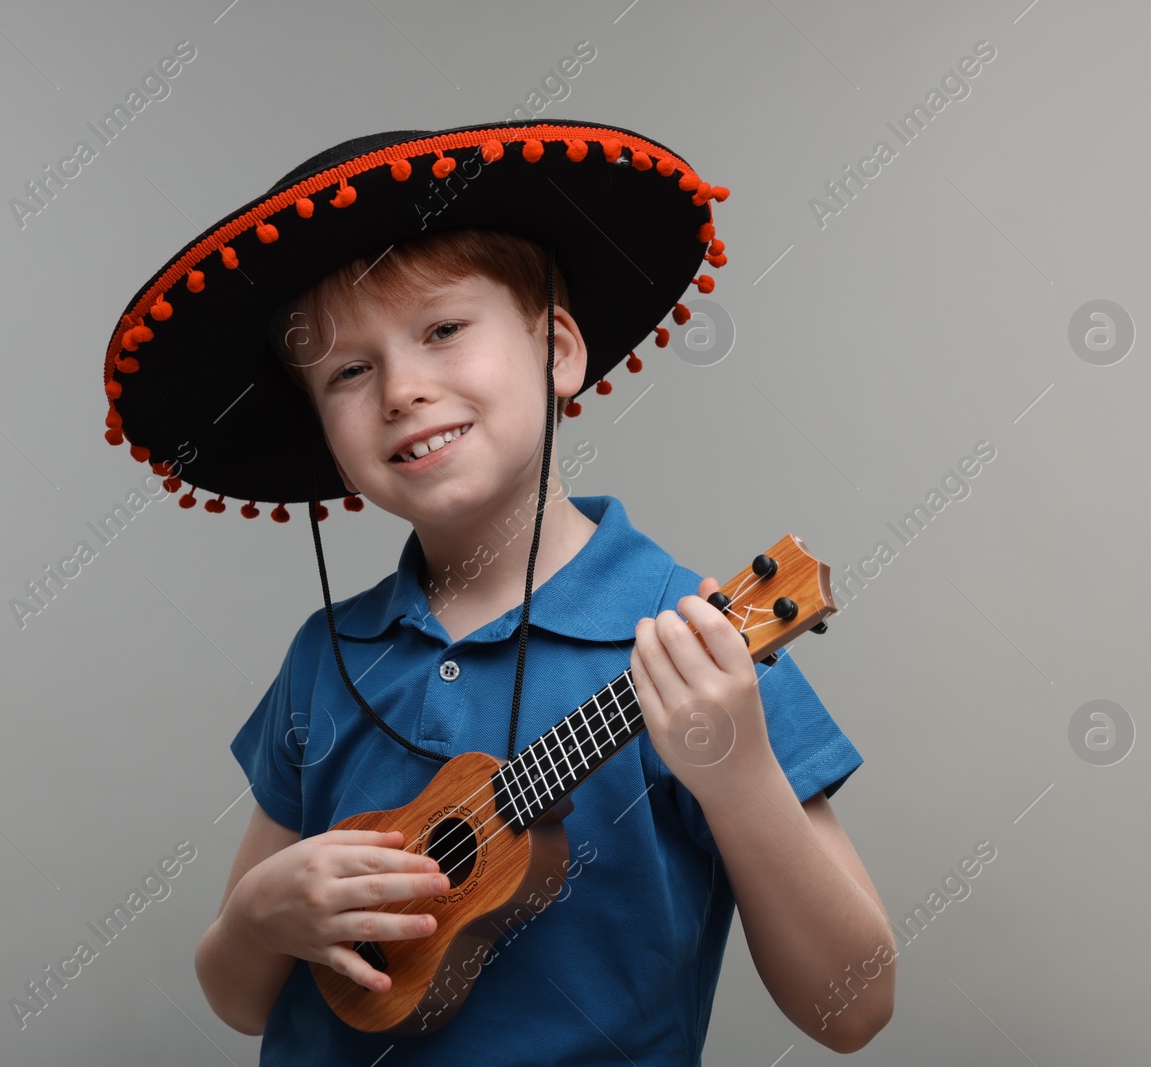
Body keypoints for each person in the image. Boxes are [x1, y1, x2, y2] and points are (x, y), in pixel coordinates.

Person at [101, 120, 894, 1063]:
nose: (402, 389)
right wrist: (257, 919)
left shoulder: (694, 649)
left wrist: (737, 773)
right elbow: (237, 998)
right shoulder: (329, 658)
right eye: (349, 371)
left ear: (557, 351)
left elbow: (853, 1008)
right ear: (326, 435)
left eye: (442, 329)